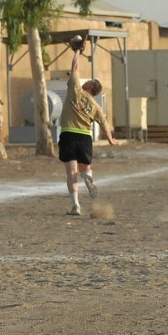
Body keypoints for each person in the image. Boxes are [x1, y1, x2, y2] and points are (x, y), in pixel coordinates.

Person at [58, 42, 118, 215]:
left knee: (71, 174)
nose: (87, 81)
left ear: (91, 87)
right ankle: (89, 179)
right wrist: (110, 140)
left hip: (69, 134)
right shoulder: (96, 106)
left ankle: (76, 205)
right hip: (85, 137)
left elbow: (74, 66)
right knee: (84, 169)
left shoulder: (75, 89)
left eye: (90, 81)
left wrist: (77, 51)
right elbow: (104, 124)